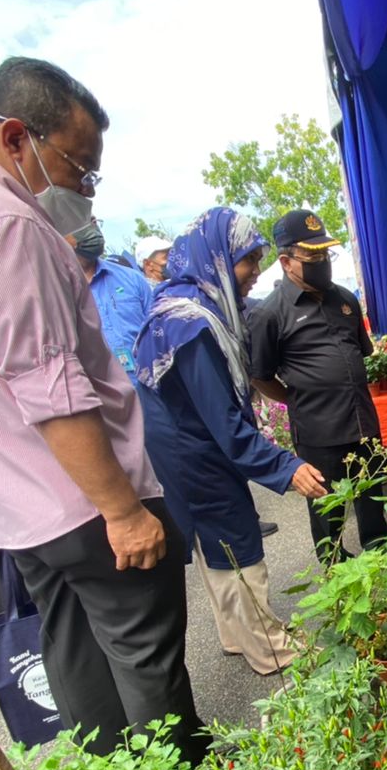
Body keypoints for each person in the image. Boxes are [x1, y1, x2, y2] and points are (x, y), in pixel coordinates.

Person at [0, 56, 204, 764]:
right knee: (146, 658)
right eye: (78, 167)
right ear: (17, 136)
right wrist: (122, 509)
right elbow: (46, 380)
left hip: (9, 503)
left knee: (75, 653)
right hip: (82, 496)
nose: (83, 189)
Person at [133, 207, 326, 675]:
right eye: (248, 260)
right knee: (235, 539)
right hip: (194, 451)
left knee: (212, 541)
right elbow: (224, 424)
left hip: (181, 445)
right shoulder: (192, 326)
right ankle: (270, 649)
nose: (256, 271)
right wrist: (287, 467)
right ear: (216, 256)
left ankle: (235, 634)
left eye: (259, 259)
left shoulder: (187, 302)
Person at [250, 210, 387, 561]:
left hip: (363, 425)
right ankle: (338, 575)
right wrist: (296, 399)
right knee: (329, 516)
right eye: (312, 257)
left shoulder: (345, 300)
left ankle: (383, 567)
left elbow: (361, 353)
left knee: (374, 504)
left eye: (325, 254)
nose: (322, 262)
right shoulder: (270, 314)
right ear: (286, 262)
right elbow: (260, 375)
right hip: (318, 434)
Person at [66, 220, 153, 382]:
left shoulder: (132, 279)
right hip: (99, 392)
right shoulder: (58, 291)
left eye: (94, 222)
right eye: (83, 223)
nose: (93, 230)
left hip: (148, 386)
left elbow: (159, 334)